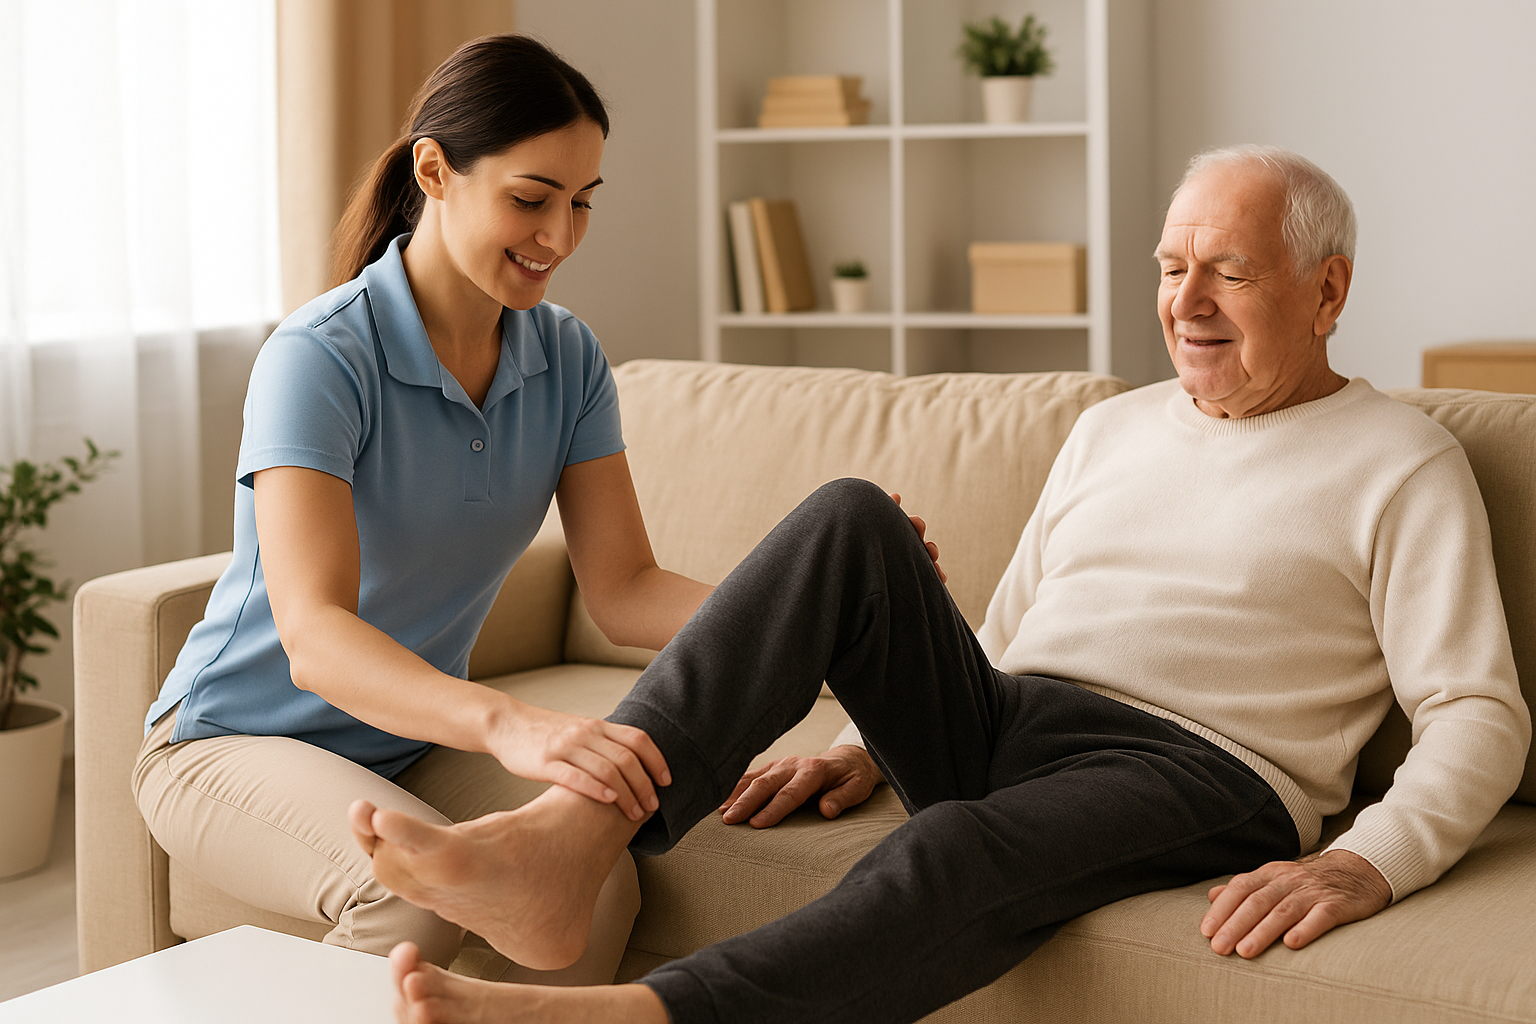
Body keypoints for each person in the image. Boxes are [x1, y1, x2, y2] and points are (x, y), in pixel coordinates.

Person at [354, 145, 1531, 1023]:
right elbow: (1010, 627)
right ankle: (572, 837)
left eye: (1228, 271)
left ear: (1328, 292)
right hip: (1017, 717)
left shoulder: (1401, 461)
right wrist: (873, 741)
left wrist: (1371, 856)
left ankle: (654, 1014)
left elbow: (1476, 711)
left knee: (950, 848)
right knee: (852, 517)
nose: (1184, 302)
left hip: (1202, 767)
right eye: (1172, 267)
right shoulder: (1114, 428)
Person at [130, 35, 716, 983]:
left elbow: (624, 588)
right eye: (531, 199)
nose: (559, 237)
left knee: (598, 877)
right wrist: (505, 722)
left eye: (581, 202)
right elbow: (315, 635)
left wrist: (798, 598)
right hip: (228, 744)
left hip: (406, 747)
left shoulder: (567, 359)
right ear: (434, 171)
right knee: (404, 891)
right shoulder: (320, 357)